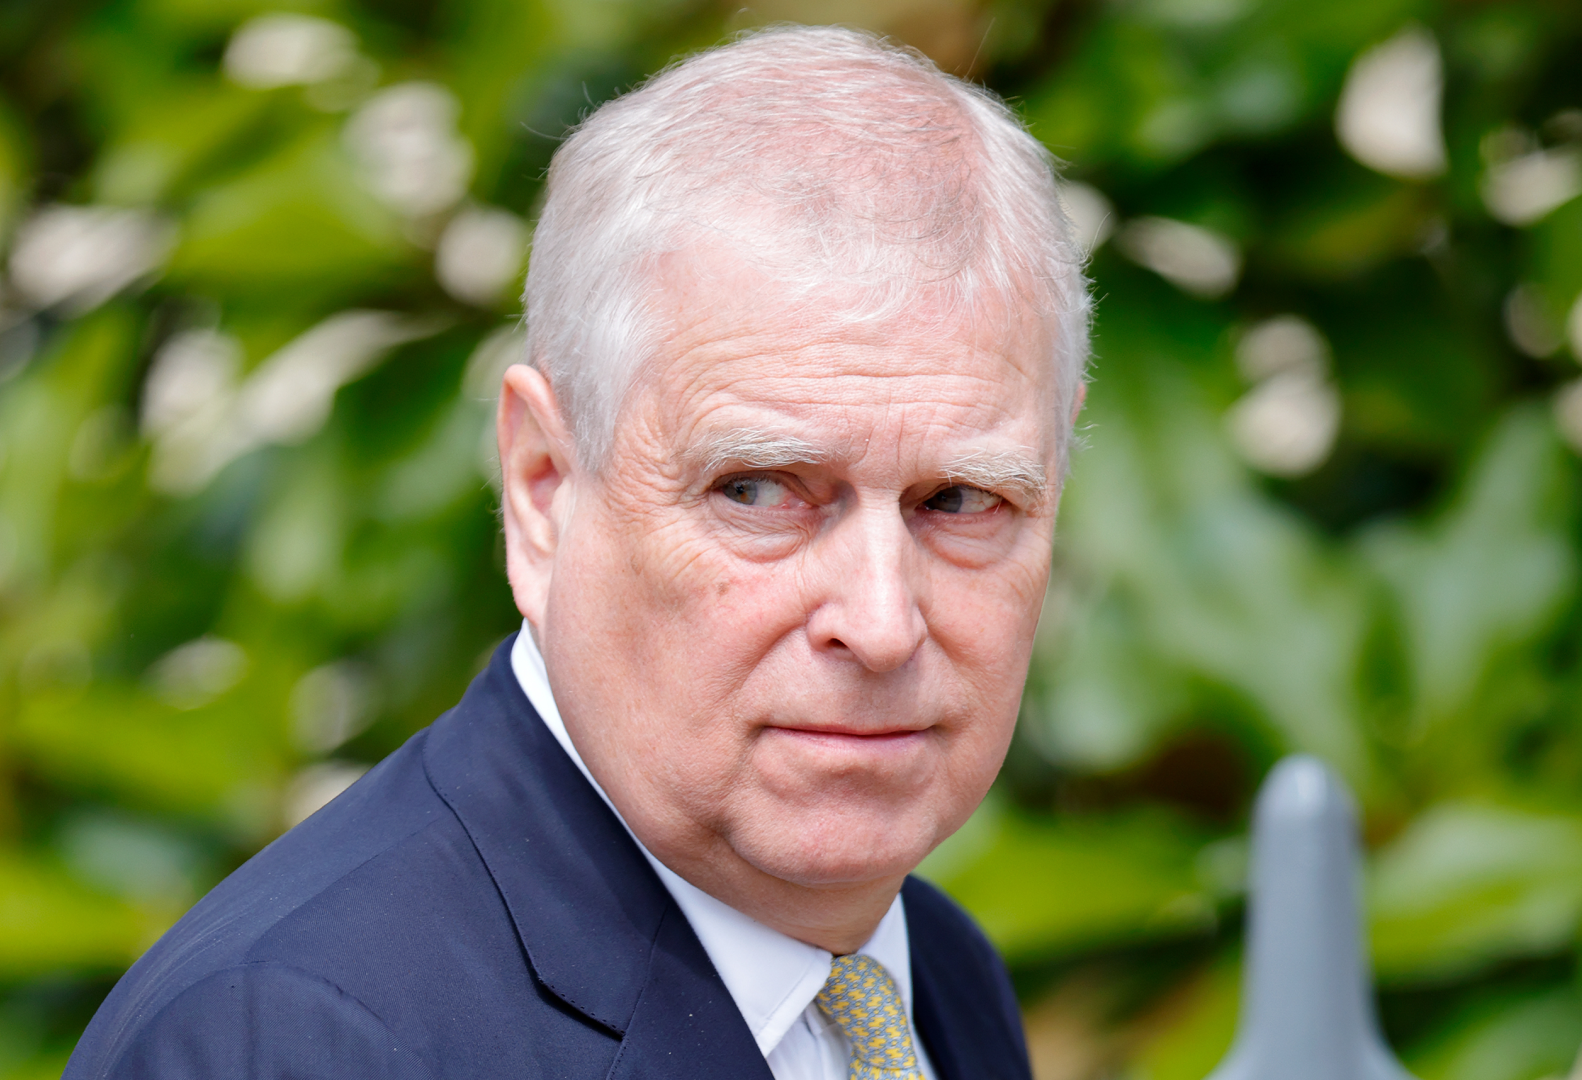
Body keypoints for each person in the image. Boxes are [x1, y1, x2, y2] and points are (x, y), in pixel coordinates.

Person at [64, 22, 1089, 1080]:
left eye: (960, 499)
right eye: (759, 491)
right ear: (543, 490)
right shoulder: (299, 1044)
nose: (881, 622)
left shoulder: (932, 982)